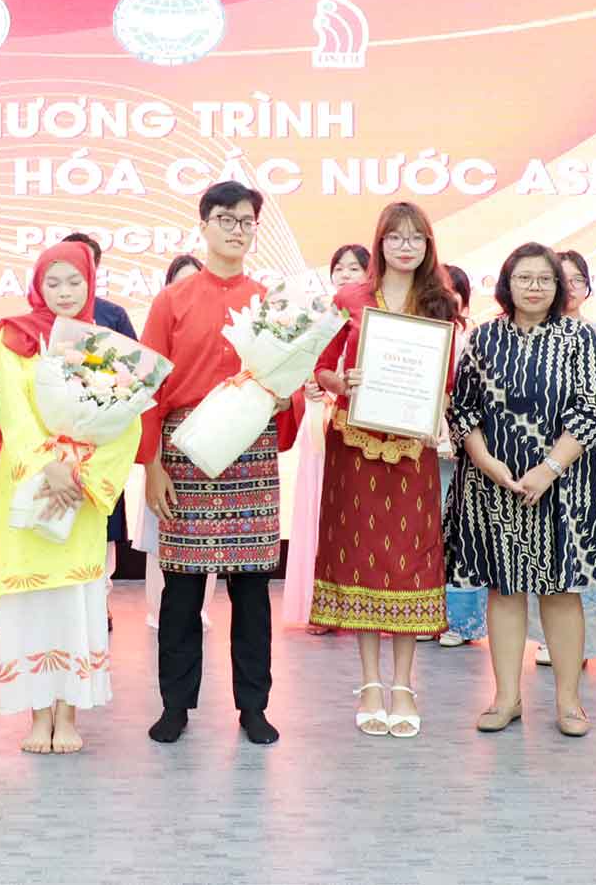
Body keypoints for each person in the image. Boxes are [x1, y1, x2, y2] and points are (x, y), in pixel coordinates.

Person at [140, 181, 301, 746]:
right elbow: (149, 388)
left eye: (246, 221)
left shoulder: (270, 303)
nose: (237, 229)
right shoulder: (172, 301)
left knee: (252, 592)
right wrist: (152, 465)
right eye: (225, 219)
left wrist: (285, 398)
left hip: (250, 450)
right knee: (181, 591)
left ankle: (253, 706)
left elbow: (291, 381)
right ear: (204, 225)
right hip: (184, 450)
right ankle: (175, 705)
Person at [445, 244, 596, 737]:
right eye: (524, 278)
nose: (535, 287)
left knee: (561, 591)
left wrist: (548, 468)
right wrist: (486, 462)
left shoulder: (580, 337)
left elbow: (593, 409)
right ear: (507, 283)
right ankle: (506, 698)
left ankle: (569, 702)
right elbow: (463, 410)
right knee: (504, 590)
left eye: (545, 278)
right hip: (495, 484)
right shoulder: (483, 338)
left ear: (558, 286)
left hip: (564, 485)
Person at [310, 203, 458, 738]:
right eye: (395, 237)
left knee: (408, 560)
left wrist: (436, 413)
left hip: (411, 447)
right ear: (379, 243)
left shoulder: (440, 302)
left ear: (428, 246)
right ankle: (370, 682)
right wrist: (341, 381)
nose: (405, 247)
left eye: (416, 238)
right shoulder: (349, 299)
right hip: (354, 443)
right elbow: (320, 367)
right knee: (361, 559)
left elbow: (444, 380)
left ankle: (403, 685)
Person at [0, 241, 142, 753]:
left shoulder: (106, 346)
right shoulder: (12, 337)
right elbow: (11, 410)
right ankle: (37, 716)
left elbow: (127, 423)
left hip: (79, 493)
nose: (64, 292)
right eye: (52, 282)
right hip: (30, 483)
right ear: (37, 285)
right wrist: (47, 464)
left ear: (90, 283)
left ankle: (68, 714)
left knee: (75, 603)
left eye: (74, 281)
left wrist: (79, 472)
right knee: (32, 604)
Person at [532, 249, 596, 667]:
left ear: (587, 287)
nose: (568, 289)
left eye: (576, 281)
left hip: (587, 461)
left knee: (584, 550)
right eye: (559, 280)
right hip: (538, 462)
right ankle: (548, 639)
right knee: (545, 550)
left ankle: (586, 642)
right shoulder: (527, 336)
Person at [286, 244, 373, 631]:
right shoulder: (316, 317)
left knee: (354, 515)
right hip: (317, 424)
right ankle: (318, 606)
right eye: (339, 268)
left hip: (358, 427)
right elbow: (300, 369)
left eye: (355, 268)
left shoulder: (374, 316)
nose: (345, 275)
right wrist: (307, 386)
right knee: (317, 513)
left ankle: (360, 605)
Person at [136, 253, 214, 630]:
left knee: (212, 534)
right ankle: (156, 608)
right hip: (167, 439)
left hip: (213, 438)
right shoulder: (163, 320)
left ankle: (203, 608)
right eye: (180, 282)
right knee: (160, 529)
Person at [60, 231, 139, 598]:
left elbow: (135, 374)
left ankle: (100, 600)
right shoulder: (39, 321)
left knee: (104, 523)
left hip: (102, 440)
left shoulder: (112, 315)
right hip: (56, 443)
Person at [437, 264, 488, 647]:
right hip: (423, 448)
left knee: (462, 533)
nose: (446, 296)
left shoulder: (474, 339)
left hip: (467, 450)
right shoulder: (417, 334)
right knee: (429, 531)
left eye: (452, 290)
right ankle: (427, 614)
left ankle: (461, 622)